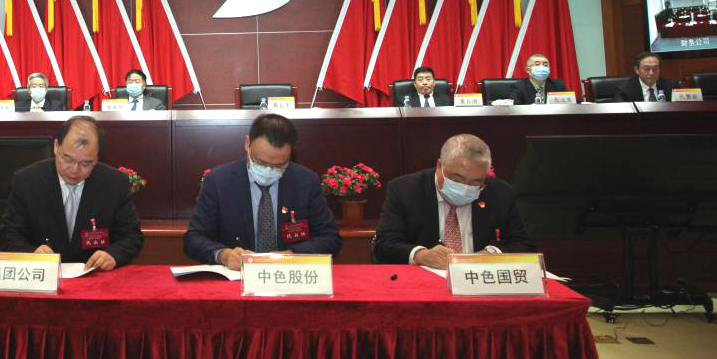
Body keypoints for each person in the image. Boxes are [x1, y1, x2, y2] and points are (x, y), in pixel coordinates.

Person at [184, 113, 340, 268]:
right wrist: (224, 255)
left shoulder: (305, 181)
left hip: (287, 274)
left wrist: (291, 255)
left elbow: (330, 238)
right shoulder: (219, 181)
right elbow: (194, 239)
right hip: (237, 276)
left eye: (279, 165)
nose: (269, 170)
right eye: (261, 163)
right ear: (247, 144)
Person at [0, 116, 143, 270]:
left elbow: (132, 235)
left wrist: (113, 255)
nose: (75, 170)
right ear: (56, 147)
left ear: (96, 158)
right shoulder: (27, 181)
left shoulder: (115, 183)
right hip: (44, 274)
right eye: (67, 159)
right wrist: (32, 253)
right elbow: (9, 233)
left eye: (86, 163)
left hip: (95, 275)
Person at [371, 134, 534, 266]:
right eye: (457, 179)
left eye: (476, 182)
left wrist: (491, 254)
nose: (465, 187)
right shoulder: (405, 190)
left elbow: (524, 243)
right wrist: (421, 255)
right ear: (439, 166)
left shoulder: (500, 193)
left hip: (480, 280)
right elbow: (383, 245)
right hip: (424, 281)